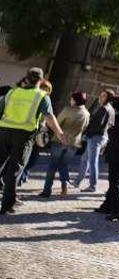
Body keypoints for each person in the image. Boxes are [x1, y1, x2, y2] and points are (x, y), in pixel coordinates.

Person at [0, 68, 66, 215]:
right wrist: (60, 133)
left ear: (27, 78)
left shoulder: (12, 92)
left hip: (3, 133)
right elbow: (49, 117)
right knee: (13, 171)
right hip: (23, 136)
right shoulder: (42, 95)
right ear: (41, 80)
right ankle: (6, 206)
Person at [38, 92, 90, 198]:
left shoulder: (68, 110)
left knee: (52, 166)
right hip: (74, 143)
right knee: (64, 165)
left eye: (71, 99)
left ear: (75, 100)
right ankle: (64, 187)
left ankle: (47, 190)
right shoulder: (87, 113)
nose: (70, 101)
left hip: (60, 140)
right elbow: (84, 129)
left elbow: (57, 122)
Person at [74, 89, 115, 192]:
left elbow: (97, 125)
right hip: (100, 137)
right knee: (85, 159)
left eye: (103, 96)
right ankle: (77, 181)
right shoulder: (110, 109)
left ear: (108, 98)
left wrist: (87, 134)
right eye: (100, 95)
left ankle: (93, 185)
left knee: (92, 161)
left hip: (96, 137)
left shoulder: (105, 109)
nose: (100, 98)